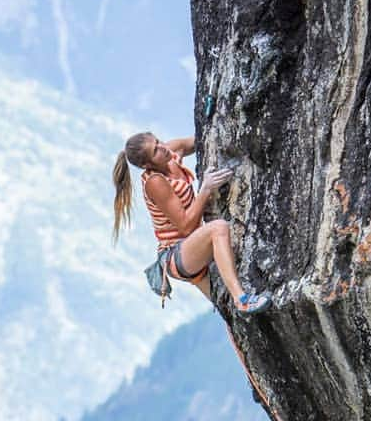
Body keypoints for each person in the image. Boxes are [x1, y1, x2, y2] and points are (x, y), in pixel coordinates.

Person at [111, 131, 272, 313]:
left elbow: (200, 139)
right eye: (155, 150)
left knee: (229, 318)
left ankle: (237, 310)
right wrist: (206, 190)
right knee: (218, 228)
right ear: (147, 165)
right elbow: (186, 226)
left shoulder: (169, 152)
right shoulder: (155, 182)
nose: (163, 148)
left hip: (192, 246)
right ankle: (241, 299)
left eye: (158, 141)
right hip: (176, 254)